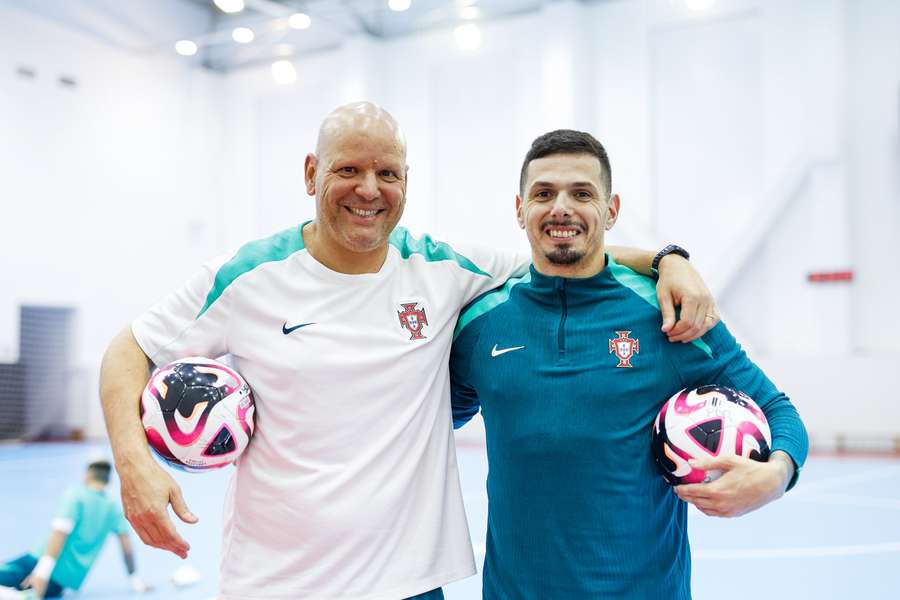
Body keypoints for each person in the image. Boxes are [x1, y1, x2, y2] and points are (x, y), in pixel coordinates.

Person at [99, 102, 719, 599]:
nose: (368, 189)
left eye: (386, 173)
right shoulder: (249, 276)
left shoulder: (444, 269)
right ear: (312, 173)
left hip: (412, 585)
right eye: (348, 170)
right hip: (278, 584)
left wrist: (671, 259)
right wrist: (133, 465)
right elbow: (130, 350)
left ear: (405, 182)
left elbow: (567, 251)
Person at [449, 129, 809, 599]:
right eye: (543, 193)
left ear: (611, 209)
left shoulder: (668, 313)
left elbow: (778, 410)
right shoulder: (482, 325)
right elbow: (427, 424)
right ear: (519, 210)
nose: (561, 207)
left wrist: (776, 474)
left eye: (582, 193)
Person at [0, 459, 149, 599]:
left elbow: (60, 533)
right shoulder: (113, 507)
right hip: (61, 583)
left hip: (37, 565)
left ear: (87, 474)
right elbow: (126, 547)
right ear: (108, 480)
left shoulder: (76, 496)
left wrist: (41, 574)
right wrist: (134, 579)